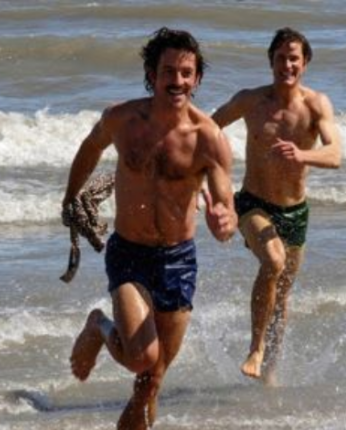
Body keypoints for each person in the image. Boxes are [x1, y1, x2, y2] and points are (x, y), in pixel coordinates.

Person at [63, 27, 236, 429]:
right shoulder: (123, 119)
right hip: (130, 254)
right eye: (168, 71)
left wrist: (223, 221)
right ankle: (99, 325)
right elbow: (91, 147)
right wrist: (70, 197)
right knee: (142, 357)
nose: (177, 80)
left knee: (150, 384)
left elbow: (224, 204)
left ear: (197, 79)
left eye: (186, 73)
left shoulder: (208, 138)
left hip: (178, 261)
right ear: (151, 75)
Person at [212, 27, 341, 386]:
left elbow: (335, 154)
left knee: (282, 297)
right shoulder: (250, 101)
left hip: (295, 212)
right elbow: (207, 128)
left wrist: (302, 155)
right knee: (273, 261)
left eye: (293, 58)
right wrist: (203, 178)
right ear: (271, 62)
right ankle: (255, 349)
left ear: (305, 63)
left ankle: (269, 375)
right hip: (252, 205)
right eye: (281, 58)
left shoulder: (317, 105)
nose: (287, 65)